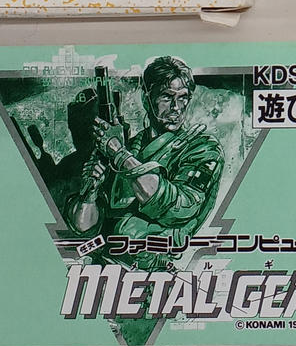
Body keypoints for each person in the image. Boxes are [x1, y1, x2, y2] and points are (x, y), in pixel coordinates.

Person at [69, 56, 223, 270]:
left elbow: (178, 208)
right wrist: (90, 193)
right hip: (106, 266)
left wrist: (119, 154)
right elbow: (84, 226)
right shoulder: (131, 147)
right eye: (167, 97)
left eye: (183, 98)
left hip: (154, 271)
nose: (176, 107)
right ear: (146, 98)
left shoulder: (202, 148)